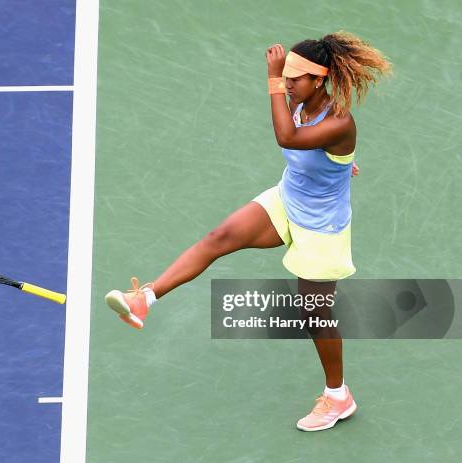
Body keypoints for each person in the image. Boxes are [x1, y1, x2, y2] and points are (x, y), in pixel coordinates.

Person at [105, 30, 391, 432]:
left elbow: (287, 137)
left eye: (296, 78)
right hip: (286, 199)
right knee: (218, 239)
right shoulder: (299, 104)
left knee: (315, 313)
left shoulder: (339, 119)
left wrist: (274, 81)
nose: (288, 83)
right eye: (286, 76)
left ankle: (338, 396)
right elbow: (308, 148)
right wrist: (342, 165)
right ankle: (144, 299)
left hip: (322, 227)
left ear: (319, 79)